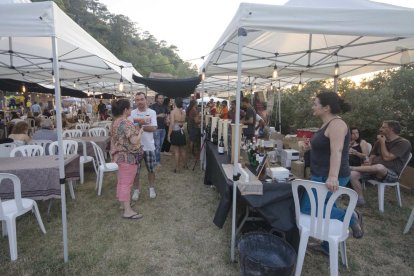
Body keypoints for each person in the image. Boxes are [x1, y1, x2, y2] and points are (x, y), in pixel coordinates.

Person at [304, 92, 363, 255]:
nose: (313, 107)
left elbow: (337, 151)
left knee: (308, 207)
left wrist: (332, 177)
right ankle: (327, 247)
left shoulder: (337, 124)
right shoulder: (326, 124)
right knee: (327, 206)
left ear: (326, 108)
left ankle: (351, 216)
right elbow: (325, 146)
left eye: (315, 104)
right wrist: (310, 147)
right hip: (320, 174)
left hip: (329, 175)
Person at [350, 120, 412, 206]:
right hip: (373, 170)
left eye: (383, 127)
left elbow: (387, 157)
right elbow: (372, 155)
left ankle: (350, 167)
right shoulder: (379, 141)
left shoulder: (403, 143)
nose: (380, 129)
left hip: (391, 173)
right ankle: (360, 200)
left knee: (379, 167)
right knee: (353, 175)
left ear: (391, 129)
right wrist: (369, 162)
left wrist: (383, 142)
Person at [111, 99, 144, 219]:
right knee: (127, 183)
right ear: (125, 110)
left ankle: (123, 204)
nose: (131, 110)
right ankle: (127, 211)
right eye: (130, 108)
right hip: (128, 157)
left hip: (119, 156)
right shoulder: (126, 123)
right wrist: (140, 132)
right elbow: (134, 141)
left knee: (121, 181)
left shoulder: (115, 122)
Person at [129, 92, 158, 200]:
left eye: (141, 99)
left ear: (146, 100)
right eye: (137, 100)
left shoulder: (152, 112)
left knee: (151, 169)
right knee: (135, 171)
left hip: (149, 146)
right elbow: (130, 129)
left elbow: (154, 128)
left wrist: (139, 125)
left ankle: (151, 188)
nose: (140, 102)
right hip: (135, 147)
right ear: (135, 101)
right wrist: (144, 124)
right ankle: (136, 190)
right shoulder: (132, 113)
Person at [168, 97, 187, 173]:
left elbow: (172, 124)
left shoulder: (173, 112)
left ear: (175, 103)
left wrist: (169, 135)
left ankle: (177, 168)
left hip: (175, 132)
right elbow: (183, 122)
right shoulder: (184, 112)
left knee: (176, 151)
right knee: (182, 149)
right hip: (182, 132)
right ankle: (185, 165)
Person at [150, 94, 169, 165]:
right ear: (156, 99)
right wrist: (158, 115)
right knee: (157, 145)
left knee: (160, 145)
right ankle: (156, 161)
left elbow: (167, 115)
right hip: (156, 128)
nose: (161, 99)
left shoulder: (165, 107)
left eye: (162, 98)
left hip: (163, 128)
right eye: (160, 98)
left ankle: (155, 158)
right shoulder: (153, 107)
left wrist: (167, 119)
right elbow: (149, 117)